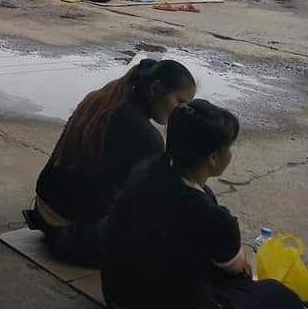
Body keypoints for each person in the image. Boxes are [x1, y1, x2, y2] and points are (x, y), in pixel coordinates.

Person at [102, 100, 303, 309]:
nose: (230, 154)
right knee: (277, 294)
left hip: (117, 294)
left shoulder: (145, 172)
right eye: (229, 147)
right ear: (213, 158)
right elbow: (238, 267)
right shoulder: (212, 215)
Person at [28, 58, 197, 266]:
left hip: (43, 213)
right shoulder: (145, 135)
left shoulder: (102, 99)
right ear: (155, 89)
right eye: (179, 102)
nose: (181, 111)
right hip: (73, 237)